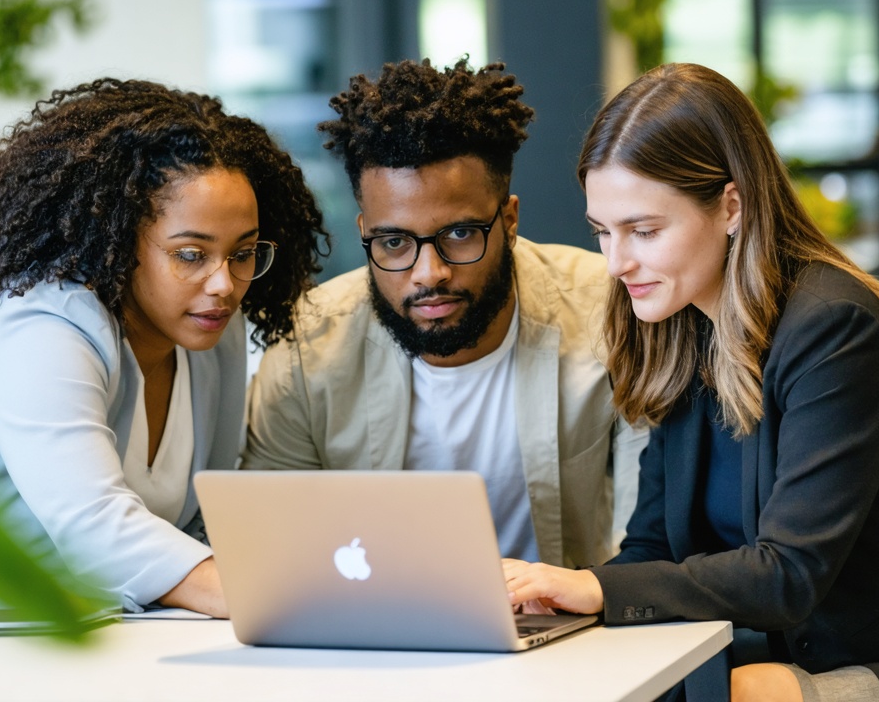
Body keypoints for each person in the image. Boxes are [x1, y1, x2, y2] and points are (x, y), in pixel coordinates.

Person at [504, 62, 879, 701]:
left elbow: (789, 574)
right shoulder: (678, 326)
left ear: (731, 205)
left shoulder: (837, 329)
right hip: (764, 654)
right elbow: (653, 547)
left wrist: (598, 589)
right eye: (602, 232)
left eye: (644, 230)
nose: (616, 262)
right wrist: (558, 609)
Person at [0, 78, 328, 617]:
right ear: (120, 239)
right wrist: (283, 596)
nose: (224, 283)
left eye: (242, 253)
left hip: (128, 639)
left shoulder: (209, 328)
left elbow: (197, 522)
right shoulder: (45, 324)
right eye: (191, 254)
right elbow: (92, 526)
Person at [242, 58, 644, 569]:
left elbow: (648, 545)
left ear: (511, 219)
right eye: (393, 242)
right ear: (366, 230)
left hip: (574, 633)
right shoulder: (305, 346)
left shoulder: (610, 312)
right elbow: (270, 544)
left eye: (459, 233)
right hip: (372, 641)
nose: (428, 272)